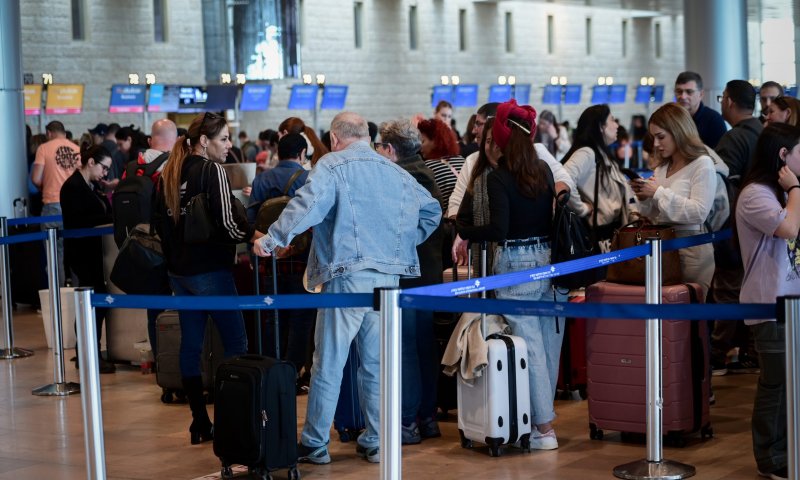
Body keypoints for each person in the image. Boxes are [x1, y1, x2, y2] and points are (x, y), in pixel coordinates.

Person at [254, 112, 441, 465]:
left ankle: (315, 443)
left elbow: (306, 205)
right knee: (376, 364)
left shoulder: (332, 165)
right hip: (389, 280)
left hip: (347, 277)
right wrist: (401, 243)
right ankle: (376, 441)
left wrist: (271, 239)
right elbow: (432, 211)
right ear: (367, 137)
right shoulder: (395, 170)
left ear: (334, 138)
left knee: (329, 362)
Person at [456, 100, 564, 450]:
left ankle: (544, 427)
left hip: (515, 265)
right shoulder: (542, 170)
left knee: (529, 346)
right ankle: (541, 420)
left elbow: (498, 230)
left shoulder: (498, 178)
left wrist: (465, 229)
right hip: (547, 260)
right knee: (545, 345)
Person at [154, 112, 264, 445]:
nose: (229, 145)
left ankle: (199, 421)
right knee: (236, 344)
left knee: (191, 346)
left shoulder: (170, 171)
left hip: (179, 272)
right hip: (210, 270)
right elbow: (228, 222)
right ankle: (232, 422)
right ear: (204, 141)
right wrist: (254, 236)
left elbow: (159, 224)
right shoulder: (210, 170)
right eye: (224, 139)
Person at [736, 122, 800, 480]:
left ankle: (790, 449)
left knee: (792, 383)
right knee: (777, 383)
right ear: (783, 156)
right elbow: (788, 228)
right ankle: (772, 457)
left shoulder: (785, 192)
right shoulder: (755, 194)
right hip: (770, 303)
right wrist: (795, 188)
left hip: (792, 301)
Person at [376, 118, 444, 445]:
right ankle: (427, 417)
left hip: (409, 275)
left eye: (379, 146)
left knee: (406, 347)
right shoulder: (425, 171)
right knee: (424, 346)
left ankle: (408, 420)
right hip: (429, 273)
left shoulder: (401, 177)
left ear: (390, 149)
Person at [247, 133, 316, 392]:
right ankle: (294, 372)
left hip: (270, 260)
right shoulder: (309, 179)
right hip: (301, 260)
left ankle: (271, 370)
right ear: (302, 153)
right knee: (301, 318)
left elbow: (251, 220)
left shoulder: (262, 179)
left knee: (272, 316)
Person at [631, 103, 716, 297]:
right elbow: (655, 214)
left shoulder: (702, 164)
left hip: (692, 249)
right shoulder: (662, 168)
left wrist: (658, 193)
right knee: (665, 310)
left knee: (690, 309)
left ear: (679, 132)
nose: (655, 144)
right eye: (653, 137)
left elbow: (699, 212)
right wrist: (644, 196)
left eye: (661, 137)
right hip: (663, 247)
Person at [712, 80, 764, 374]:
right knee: (753, 290)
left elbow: (722, 191)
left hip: (734, 230)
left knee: (728, 290)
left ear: (729, 101)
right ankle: (752, 352)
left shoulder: (733, 139)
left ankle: (718, 353)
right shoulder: (764, 133)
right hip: (763, 230)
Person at [59, 144, 116, 374]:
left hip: (93, 252)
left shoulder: (90, 186)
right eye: (104, 168)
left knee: (93, 302)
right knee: (92, 303)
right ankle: (88, 352)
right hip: (82, 253)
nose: (105, 173)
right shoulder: (72, 187)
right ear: (91, 162)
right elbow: (80, 221)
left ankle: (87, 350)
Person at [562, 104, 639, 253]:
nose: (617, 125)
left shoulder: (602, 154)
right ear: (601, 126)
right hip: (599, 237)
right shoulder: (587, 153)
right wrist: (581, 208)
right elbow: (564, 178)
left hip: (611, 233)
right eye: (612, 120)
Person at [31, 120, 81, 286]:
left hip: (52, 205)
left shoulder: (44, 148)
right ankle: (78, 294)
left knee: (54, 254)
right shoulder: (76, 148)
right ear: (64, 133)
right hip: (74, 206)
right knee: (75, 251)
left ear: (49, 133)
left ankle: (58, 295)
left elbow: (35, 178)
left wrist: (45, 186)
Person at [674, 71, 727, 149]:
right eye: (679, 91)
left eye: (689, 92)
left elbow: (719, 155)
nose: (683, 96)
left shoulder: (714, 120)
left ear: (701, 94)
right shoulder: (671, 119)